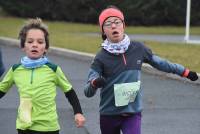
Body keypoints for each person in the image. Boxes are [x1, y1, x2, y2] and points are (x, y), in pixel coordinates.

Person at [84, 5, 198, 134]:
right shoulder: (100, 57)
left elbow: (161, 63)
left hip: (132, 113)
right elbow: (87, 92)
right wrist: (94, 83)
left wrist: (184, 72)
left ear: (123, 26)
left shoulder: (138, 49)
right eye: (108, 24)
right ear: (103, 31)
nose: (113, 26)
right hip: (109, 114)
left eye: (117, 22)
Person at [0, 18, 85, 134]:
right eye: (30, 42)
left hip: (48, 128)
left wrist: (78, 113)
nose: (35, 45)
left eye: (40, 42)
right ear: (23, 46)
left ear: (46, 48)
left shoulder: (53, 69)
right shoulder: (15, 70)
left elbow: (69, 91)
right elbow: (1, 90)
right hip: (24, 126)